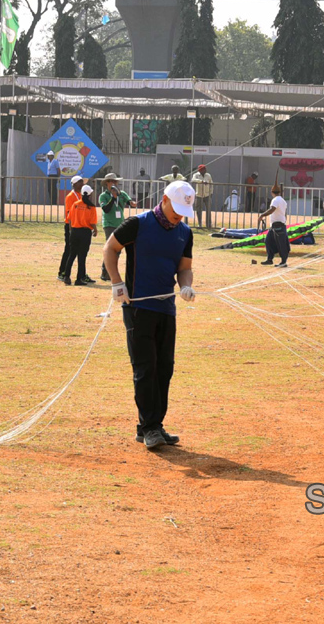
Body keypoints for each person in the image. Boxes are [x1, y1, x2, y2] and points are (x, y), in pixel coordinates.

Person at [102, 180, 196, 451]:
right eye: (176, 209)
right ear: (164, 200)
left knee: (164, 368)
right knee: (145, 367)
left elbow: (184, 267)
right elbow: (110, 248)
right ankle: (149, 426)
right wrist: (117, 282)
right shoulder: (138, 224)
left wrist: (186, 285)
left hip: (166, 308)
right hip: (138, 307)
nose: (179, 216)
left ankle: (153, 425)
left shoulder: (185, 233)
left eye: (183, 212)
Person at [99, 173, 135, 281]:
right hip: (109, 225)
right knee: (110, 249)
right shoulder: (103, 196)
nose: (114, 184)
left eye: (115, 181)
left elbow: (129, 201)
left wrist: (132, 203)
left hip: (120, 224)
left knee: (118, 250)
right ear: (107, 183)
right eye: (111, 181)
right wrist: (113, 198)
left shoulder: (122, 194)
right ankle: (105, 273)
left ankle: (109, 272)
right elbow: (106, 209)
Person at [57, 174, 86, 285]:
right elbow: (69, 213)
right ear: (74, 184)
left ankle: (82, 274)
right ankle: (62, 272)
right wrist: (71, 229)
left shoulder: (81, 195)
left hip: (79, 226)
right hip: (71, 226)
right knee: (69, 249)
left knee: (81, 251)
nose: (82, 184)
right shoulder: (70, 196)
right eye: (80, 182)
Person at [68, 182, 99, 286]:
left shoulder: (75, 204)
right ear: (90, 195)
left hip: (75, 231)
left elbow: (70, 220)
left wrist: (71, 231)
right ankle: (79, 278)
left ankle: (66, 276)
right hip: (85, 233)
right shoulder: (91, 207)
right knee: (82, 256)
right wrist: (95, 230)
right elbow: (92, 222)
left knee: (72, 254)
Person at [257, 183, 290, 267]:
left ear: (272, 192)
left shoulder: (275, 200)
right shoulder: (283, 201)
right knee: (268, 241)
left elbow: (272, 209)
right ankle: (270, 259)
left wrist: (262, 215)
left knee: (281, 244)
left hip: (278, 225)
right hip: (276, 225)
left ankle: (283, 262)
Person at [190, 164, 214, 230]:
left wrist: (211, 192)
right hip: (199, 195)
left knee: (208, 210)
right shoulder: (196, 175)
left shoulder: (208, 175)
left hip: (207, 195)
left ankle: (208, 224)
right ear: (200, 170)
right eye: (203, 169)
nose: (205, 170)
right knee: (198, 210)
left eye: (205, 169)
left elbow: (211, 184)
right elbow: (193, 180)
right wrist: (201, 181)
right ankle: (199, 223)